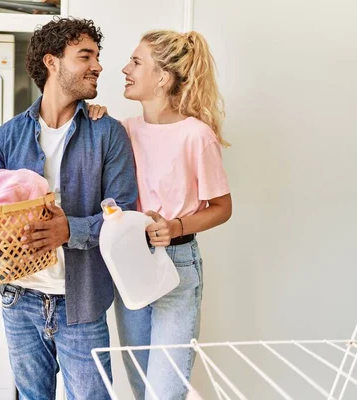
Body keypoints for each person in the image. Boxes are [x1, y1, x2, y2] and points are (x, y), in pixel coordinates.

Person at [0, 17, 138, 400]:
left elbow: (125, 216)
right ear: (52, 62)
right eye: (85, 56)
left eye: (98, 56)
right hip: (19, 298)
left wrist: (70, 229)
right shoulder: (9, 135)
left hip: (81, 300)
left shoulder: (108, 133)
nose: (99, 65)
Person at [88, 30, 232, 400]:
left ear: (163, 78)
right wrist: (95, 119)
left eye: (136, 62)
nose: (125, 68)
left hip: (178, 267)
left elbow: (222, 208)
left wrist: (176, 226)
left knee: (164, 393)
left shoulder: (197, 136)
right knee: (140, 386)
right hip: (130, 262)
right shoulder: (122, 130)